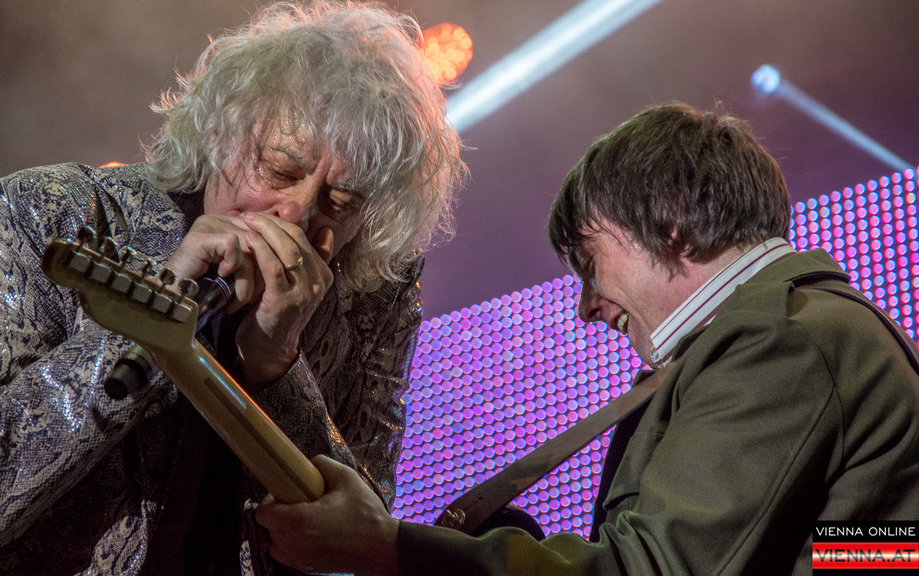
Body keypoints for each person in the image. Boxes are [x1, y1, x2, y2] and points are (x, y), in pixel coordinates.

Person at [0, 1, 463, 574]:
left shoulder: (374, 297)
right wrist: (149, 317)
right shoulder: (57, 212)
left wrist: (277, 363)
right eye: (279, 170)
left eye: (340, 203)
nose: (297, 216)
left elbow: (352, 540)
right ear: (221, 135)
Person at [255, 101, 919, 575]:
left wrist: (392, 548)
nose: (586, 307)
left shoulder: (779, 339)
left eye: (590, 262)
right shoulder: (792, 332)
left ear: (670, 223)